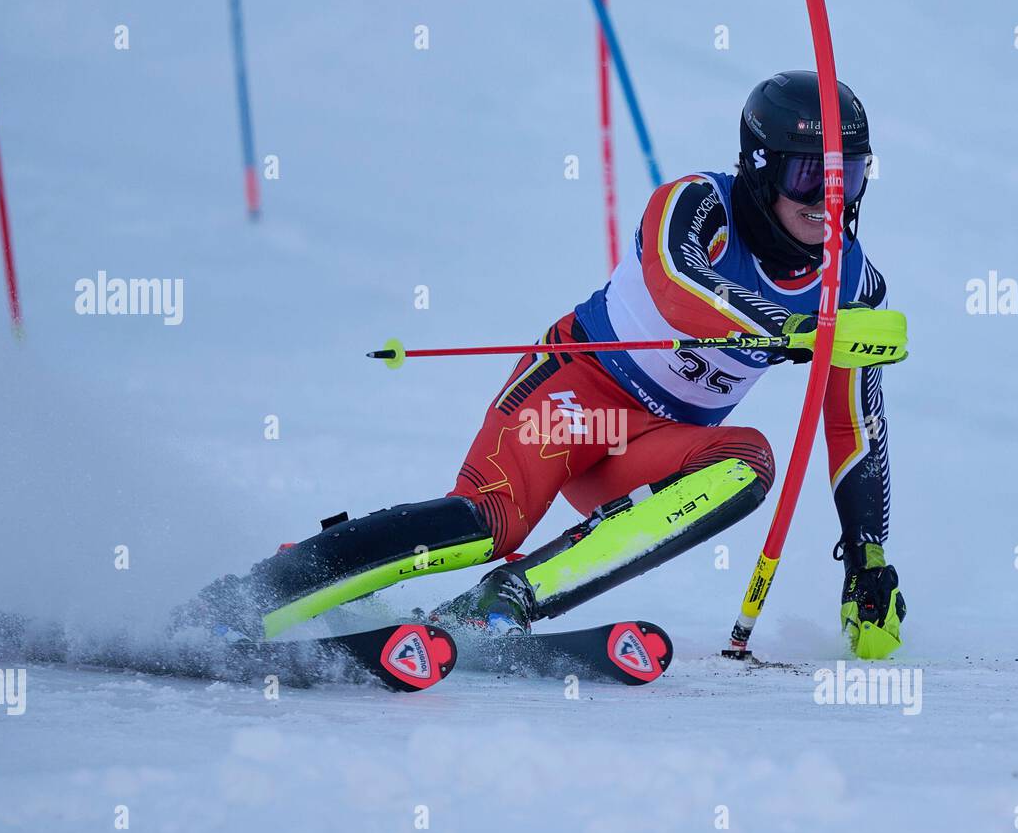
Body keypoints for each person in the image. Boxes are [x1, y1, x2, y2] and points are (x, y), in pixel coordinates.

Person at [188, 70, 908, 661]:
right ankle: (251, 595)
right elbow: (678, 286)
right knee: (490, 523)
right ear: (760, 170)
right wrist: (783, 326)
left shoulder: (854, 286)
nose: (830, 200)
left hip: (651, 447)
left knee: (750, 460)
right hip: (575, 395)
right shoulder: (695, 205)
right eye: (811, 175)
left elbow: (852, 426)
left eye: (851, 173)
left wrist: (867, 557)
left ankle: (504, 602)